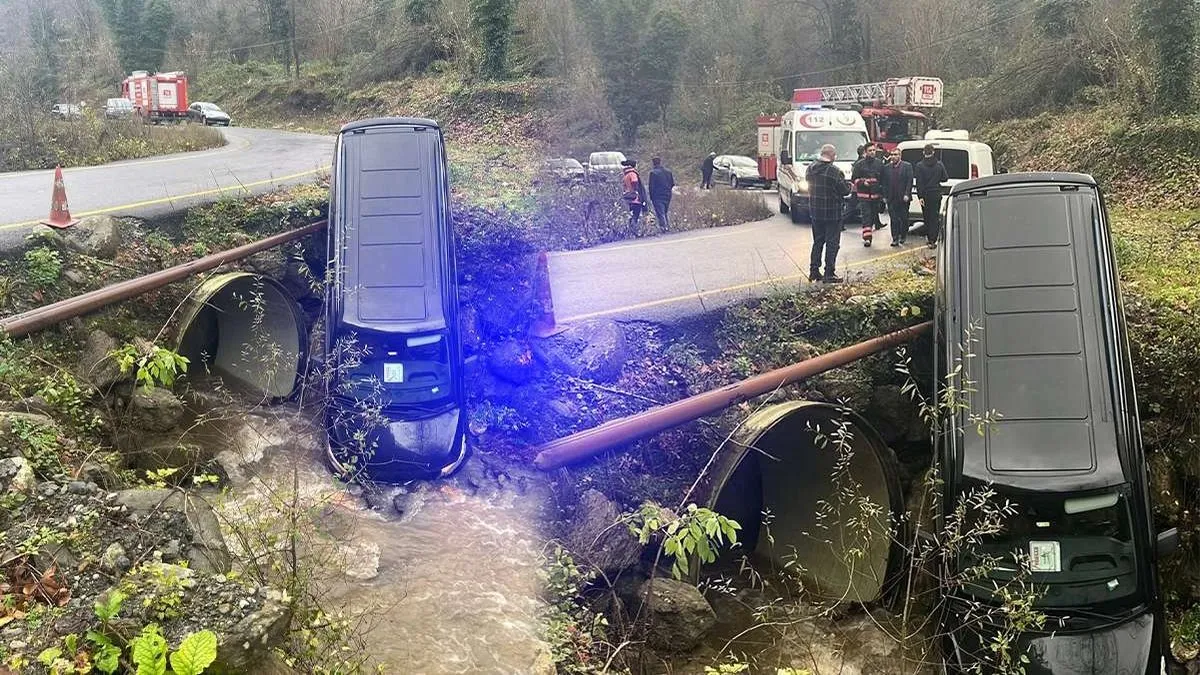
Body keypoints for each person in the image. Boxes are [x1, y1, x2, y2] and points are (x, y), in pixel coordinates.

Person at [805, 144, 851, 283]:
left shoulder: (810, 169)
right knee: (832, 243)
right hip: (832, 213)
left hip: (815, 211)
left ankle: (814, 271)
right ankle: (829, 273)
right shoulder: (835, 172)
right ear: (831, 155)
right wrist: (850, 186)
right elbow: (844, 190)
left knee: (817, 242)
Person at [914, 143, 949, 248]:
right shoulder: (939, 164)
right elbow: (945, 178)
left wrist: (920, 197)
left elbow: (919, 183)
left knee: (927, 217)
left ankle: (929, 237)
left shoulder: (919, 166)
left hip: (925, 195)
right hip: (936, 193)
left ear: (923, 152)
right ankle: (933, 239)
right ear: (933, 152)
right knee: (934, 216)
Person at [851, 143, 885, 246]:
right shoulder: (859, 164)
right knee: (866, 216)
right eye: (870, 151)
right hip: (864, 195)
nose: (872, 152)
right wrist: (862, 182)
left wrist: (882, 193)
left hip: (875, 196)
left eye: (874, 150)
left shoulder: (879, 164)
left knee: (873, 216)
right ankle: (867, 238)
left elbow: (883, 179)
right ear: (865, 152)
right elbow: (854, 179)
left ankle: (869, 231)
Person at [880, 148, 914, 247]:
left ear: (900, 156)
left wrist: (907, 194)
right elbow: (884, 183)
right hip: (892, 198)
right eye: (892, 154)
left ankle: (903, 235)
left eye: (896, 155)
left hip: (903, 198)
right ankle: (895, 238)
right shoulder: (887, 168)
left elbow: (909, 181)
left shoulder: (907, 166)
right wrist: (885, 196)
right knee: (894, 219)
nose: (893, 156)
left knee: (903, 219)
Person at [648, 157, 675, 231]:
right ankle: (668, 227)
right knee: (665, 212)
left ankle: (664, 228)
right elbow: (672, 183)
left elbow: (651, 187)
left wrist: (651, 197)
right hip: (667, 195)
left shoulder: (653, 173)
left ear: (653, 163)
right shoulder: (668, 172)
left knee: (660, 213)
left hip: (657, 196)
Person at [621, 159, 648, 232]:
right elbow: (634, 181)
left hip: (628, 198)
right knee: (636, 214)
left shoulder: (626, 174)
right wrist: (636, 190)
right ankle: (634, 229)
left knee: (632, 213)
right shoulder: (632, 173)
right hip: (635, 198)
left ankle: (631, 229)